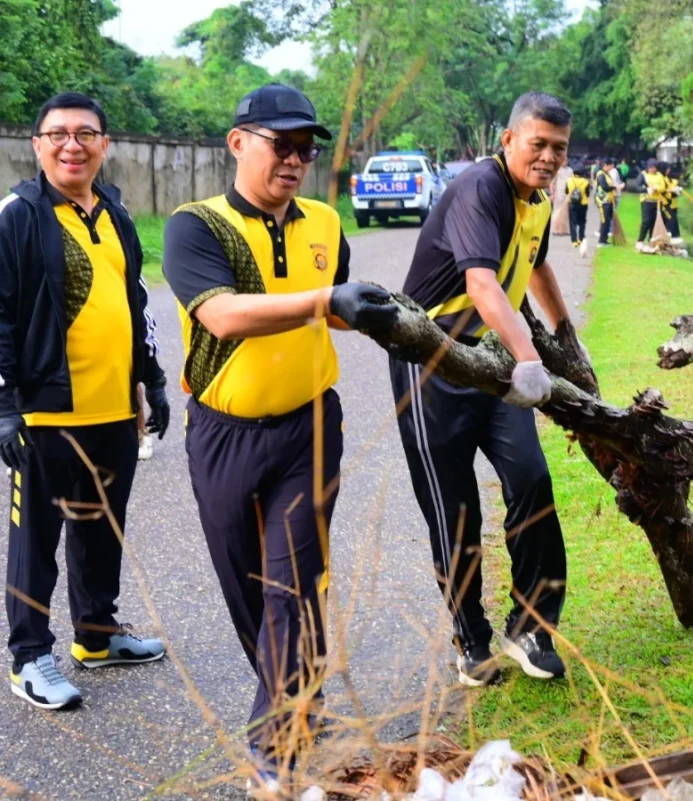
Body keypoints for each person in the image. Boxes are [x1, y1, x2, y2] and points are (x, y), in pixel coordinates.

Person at [162, 84, 396, 790]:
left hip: (308, 428)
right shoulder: (193, 226)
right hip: (224, 432)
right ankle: (295, 689)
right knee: (245, 586)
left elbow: (340, 308)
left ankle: (280, 735)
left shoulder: (325, 221)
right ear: (239, 142)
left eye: (306, 148)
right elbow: (224, 316)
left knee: (287, 587)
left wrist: (388, 315)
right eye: (281, 144)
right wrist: (326, 301)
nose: (296, 159)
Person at [390, 91, 586, 688]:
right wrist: (530, 360)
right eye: (539, 144)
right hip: (431, 360)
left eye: (560, 148)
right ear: (509, 140)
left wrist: (567, 343)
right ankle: (470, 638)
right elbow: (481, 282)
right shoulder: (482, 188)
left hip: (492, 359)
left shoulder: (535, 201)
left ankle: (530, 625)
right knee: (455, 513)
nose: (549, 157)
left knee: (531, 479)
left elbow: (538, 266)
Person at [0, 92, 170, 710]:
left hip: (114, 411)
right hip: (46, 414)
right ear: (37, 145)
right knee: (36, 541)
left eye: (86, 133)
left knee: (101, 528)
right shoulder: (18, 215)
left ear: (104, 144)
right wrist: (4, 406)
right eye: (58, 133)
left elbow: (136, 303)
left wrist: (149, 379)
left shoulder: (117, 213)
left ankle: (96, 635)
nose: (72, 144)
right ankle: (28, 658)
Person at [636, 158, 666, 244]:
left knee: (654, 220)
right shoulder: (643, 175)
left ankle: (652, 238)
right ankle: (640, 240)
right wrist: (646, 189)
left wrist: (657, 188)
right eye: (651, 167)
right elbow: (638, 186)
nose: (653, 169)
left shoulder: (659, 175)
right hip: (646, 200)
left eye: (655, 167)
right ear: (648, 167)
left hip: (657, 201)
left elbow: (663, 187)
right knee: (646, 221)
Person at [594, 156, 617, 247]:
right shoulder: (600, 174)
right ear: (605, 165)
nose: (611, 168)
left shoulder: (607, 174)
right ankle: (601, 241)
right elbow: (605, 187)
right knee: (604, 220)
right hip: (602, 201)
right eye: (610, 166)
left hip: (609, 200)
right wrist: (615, 187)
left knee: (607, 221)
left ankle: (605, 240)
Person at [565, 168, 591, 246]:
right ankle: (581, 239)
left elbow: (566, 191)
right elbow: (588, 194)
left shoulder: (569, 180)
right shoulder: (586, 182)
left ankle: (574, 241)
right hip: (583, 204)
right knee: (582, 222)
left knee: (573, 222)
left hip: (572, 203)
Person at [660, 163, 682, 241]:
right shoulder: (661, 178)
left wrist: (677, 191)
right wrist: (671, 191)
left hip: (671, 203)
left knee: (673, 218)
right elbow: (662, 190)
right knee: (670, 219)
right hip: (664, 202)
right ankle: (671, 235)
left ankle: (675, 236)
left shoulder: (672, 180)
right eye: (667, 169)